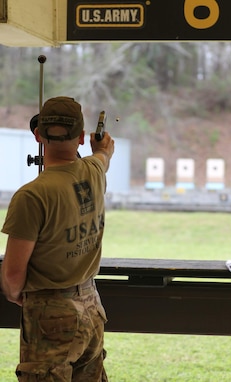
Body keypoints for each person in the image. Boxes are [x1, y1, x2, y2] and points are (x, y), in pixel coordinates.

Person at [0, 96, 114, 381]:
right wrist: (100, 148)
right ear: (81, 138)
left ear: (38, 135)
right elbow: (102, 156)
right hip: (91, 306)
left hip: (50, 315)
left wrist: (15, 295)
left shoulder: (32, 195)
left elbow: (13, 275)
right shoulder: (94, 172)